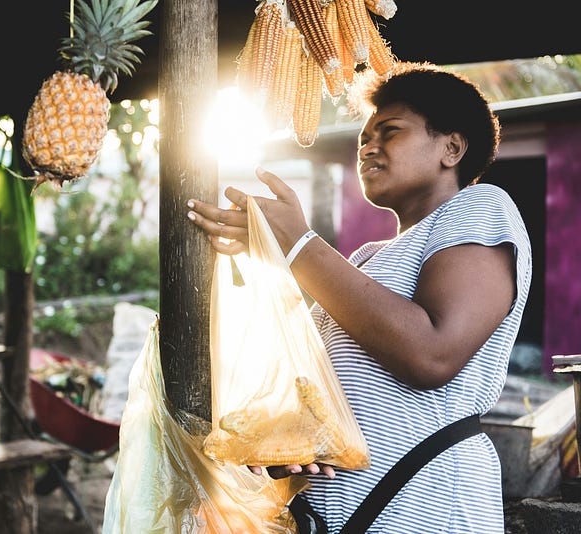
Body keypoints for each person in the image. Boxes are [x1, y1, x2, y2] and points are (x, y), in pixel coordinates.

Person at [185, 61, 532, 532]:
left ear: (451, 148)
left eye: (389, 132)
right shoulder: (366, 259)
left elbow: (432, 354)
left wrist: (300, 246)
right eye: (363, 138)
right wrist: (291, 448)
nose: (368, 146)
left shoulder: (481, 207)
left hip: (431, 509)